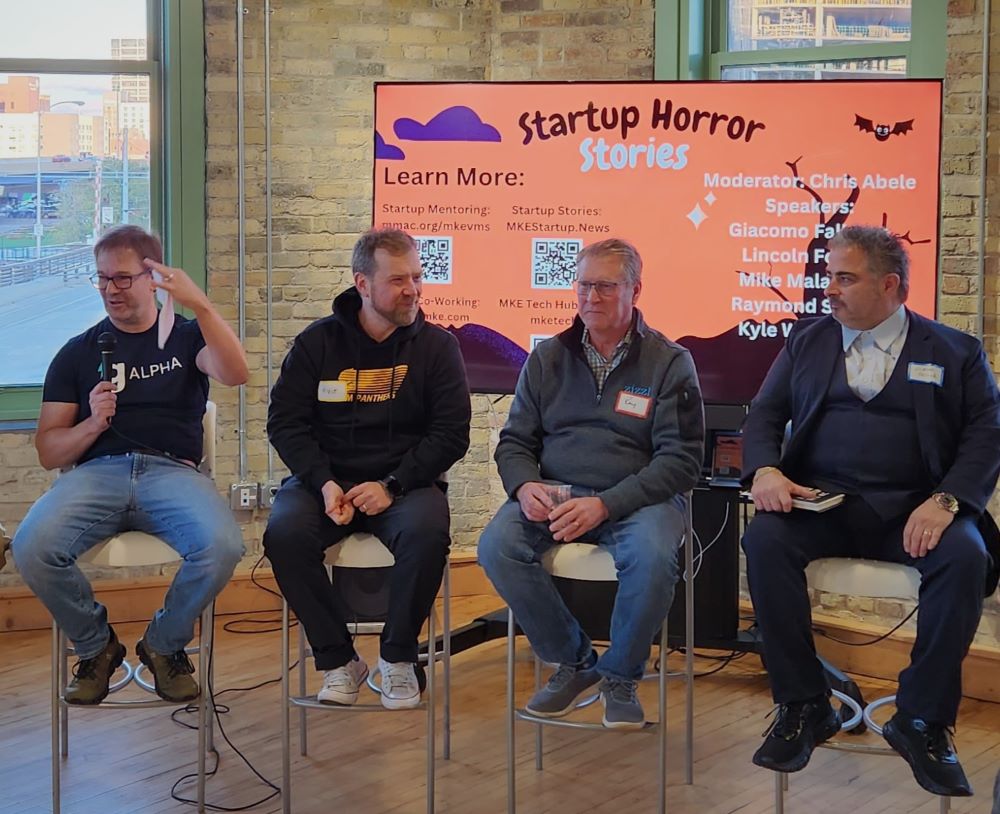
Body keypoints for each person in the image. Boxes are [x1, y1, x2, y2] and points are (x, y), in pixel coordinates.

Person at [741, 225, 1000, 796]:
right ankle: (804, 703)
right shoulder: (806, 342)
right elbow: (763, 415)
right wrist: (765, 470)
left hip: (915, 511)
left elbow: (987, 436)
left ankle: (922, 720)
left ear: (890, 286)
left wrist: (947, 501)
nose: (829, 289)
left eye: (844, 278)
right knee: (764, 540)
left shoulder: (954, 352)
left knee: (967, 556)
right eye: (829, 276)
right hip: (823, 503)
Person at [12, 224, 247, 704]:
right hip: (98, 474)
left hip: (174, 473)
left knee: (222, 547)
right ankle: (97, 647)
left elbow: (236, 373)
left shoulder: (184, 336)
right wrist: (91, 426)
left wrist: (200, 305)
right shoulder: (77, 353)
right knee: (31, 547)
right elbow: (49, 451)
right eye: (101, 280)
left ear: (153, 278)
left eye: (120, 279)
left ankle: (163, 646)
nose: (109, 291)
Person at [478, 238, 704, 729]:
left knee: (650, 555)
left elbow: (682, 462)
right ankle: (575, 662)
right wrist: (524, 487)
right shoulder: (546, 359)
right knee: (497, 545)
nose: (590, 298)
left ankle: (620, 677)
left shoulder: (669, 363)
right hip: (558, 491)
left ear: (635, 290)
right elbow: (515, 442)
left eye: (605, 286)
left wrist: (606, 504)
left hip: (639, 499)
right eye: (583, 285)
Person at [264, 228, 471, 710]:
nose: (413, 290)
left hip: (404, 483)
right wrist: (322, 482)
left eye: (418, 277)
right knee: (283, 535)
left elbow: (450, 435)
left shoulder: (438, 348)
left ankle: (397, 658)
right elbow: (285, 423)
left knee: (426, 533)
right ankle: (339, 662)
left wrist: (392, 485)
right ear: (362, 283)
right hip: (327, 483)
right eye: (399, 279)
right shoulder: (317, 344)